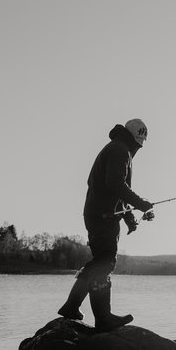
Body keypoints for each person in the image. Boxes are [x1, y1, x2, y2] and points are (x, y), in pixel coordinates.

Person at [58, 118, 155, 332]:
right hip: (102, 216)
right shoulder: (120, 151)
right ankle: (103, 318)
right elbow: (115, 184)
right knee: (105, 262)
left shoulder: (117, 148)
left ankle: (71, 307)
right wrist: (141, 204)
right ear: (135, 138)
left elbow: (115, 189)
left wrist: (129, 217)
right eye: (140, 143)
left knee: (99, 262)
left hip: (100, 214)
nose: (140, 148)